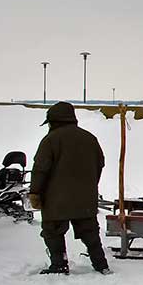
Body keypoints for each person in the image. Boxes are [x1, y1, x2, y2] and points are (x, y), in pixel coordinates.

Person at [29, 102, 109, 275]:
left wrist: (35, 192)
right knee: (90, 233)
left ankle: (59, 264)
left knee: (53, 232)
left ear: (53, 121)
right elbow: (100, 164)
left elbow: (40, 169)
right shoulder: (89, 138)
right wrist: (89, 185)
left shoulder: (50, 140)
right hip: (85, 198)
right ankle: (101, 264)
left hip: (55, 200)